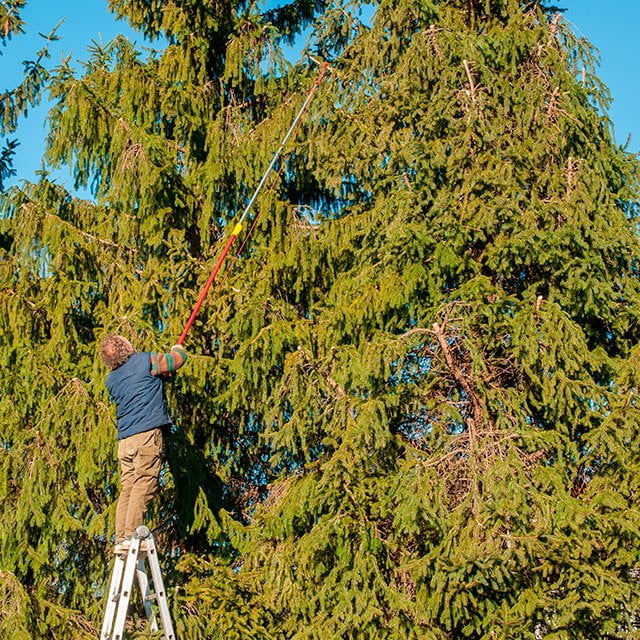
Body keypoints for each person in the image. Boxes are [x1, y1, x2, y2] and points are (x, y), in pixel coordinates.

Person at [99, 334, 187, 551]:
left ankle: (121, 537)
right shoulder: (146, 361)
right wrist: (178, 349)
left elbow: (144, 383)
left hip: (125, 439)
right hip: (145, 434)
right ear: (126, 347)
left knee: (128, 486)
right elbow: (176, 360)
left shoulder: (111, 380)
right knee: (145, 481)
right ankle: (131, 534)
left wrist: (163, 376)